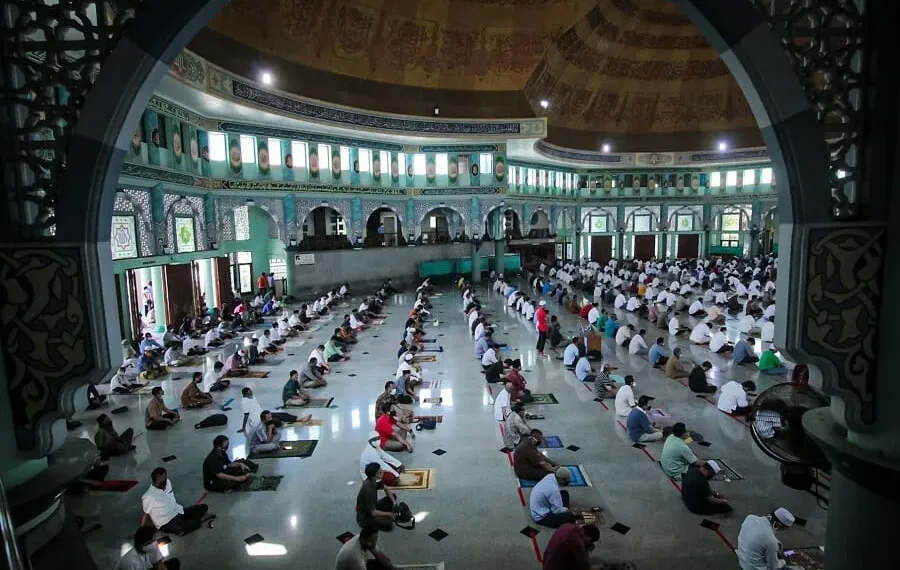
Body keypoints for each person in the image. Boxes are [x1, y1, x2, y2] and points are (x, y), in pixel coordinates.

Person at [141, 467, 211, 535]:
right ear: (154, 481)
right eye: (160, 480)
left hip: (177, 511)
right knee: (194, 524)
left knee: (203, 507)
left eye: (164, 478)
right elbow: (145, 514)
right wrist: (141, 530)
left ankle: (185, 524)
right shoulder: (149, 496)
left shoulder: (167, 482)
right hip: (166, 522)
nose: (163, 482)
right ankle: (183, 528)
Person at [114, 525, 181, 570]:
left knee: (174, 563)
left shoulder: (151, 545)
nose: (154, 543)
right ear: (140, 545)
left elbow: (158, 563)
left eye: (154, 540)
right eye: (150, 542)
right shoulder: (131, 563)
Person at [356, 462, 397, 531]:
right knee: (389, 525)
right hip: (365, 516)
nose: (383, 472)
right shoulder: (368, 488)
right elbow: (373, 512)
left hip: (373, 506)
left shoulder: (374, 480)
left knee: (393, 496)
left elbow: (386, 488)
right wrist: (389, 514)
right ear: (374, 475)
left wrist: (394, 502)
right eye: (380, 472)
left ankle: (383, 515)